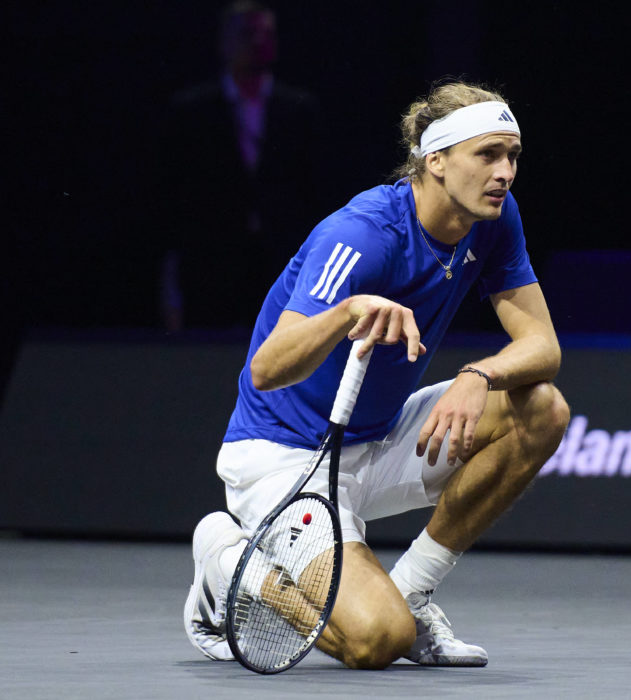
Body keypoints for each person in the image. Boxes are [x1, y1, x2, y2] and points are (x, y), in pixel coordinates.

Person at [183, 81, 571, 669]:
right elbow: (267, 368)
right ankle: (230, 565)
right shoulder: (362, 234)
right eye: (487, 154)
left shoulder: (494, 219)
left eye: (512, 155)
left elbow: (542, 346)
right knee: (376, 642)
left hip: (379, 437)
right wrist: (347, 312)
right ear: (434, 160)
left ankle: (413, 591)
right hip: (286, 458)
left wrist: (478, 376)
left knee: (541, 408)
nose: (505, 172)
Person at [161, 1, 329, 331]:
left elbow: (314, 189)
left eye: (267, 34)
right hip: (210, 262)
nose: (258, 42)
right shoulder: (192, 111)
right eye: (248, 33)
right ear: (225, 41)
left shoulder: (298, 109)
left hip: (281, 261)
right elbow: (173, 194)